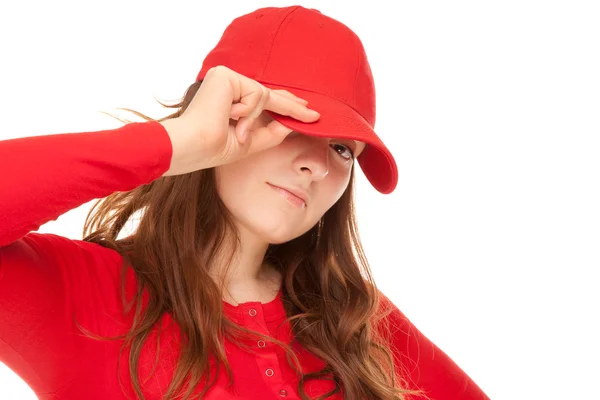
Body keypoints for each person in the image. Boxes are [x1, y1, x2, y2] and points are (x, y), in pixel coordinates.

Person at [0, 5, 489, 400]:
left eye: (342, 149)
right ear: (222, 113)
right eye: (293, 124)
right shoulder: (84, 297)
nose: (318, 166)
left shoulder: (352, 317)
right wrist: (174, 143)